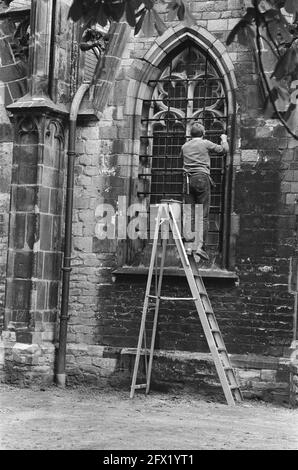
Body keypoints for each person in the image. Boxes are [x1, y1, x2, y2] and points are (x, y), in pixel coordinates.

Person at [181, 123, 229, 261]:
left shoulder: (184, 146)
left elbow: (182, 159)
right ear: (203, 133)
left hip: (188, 180)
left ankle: (188, 246)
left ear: (191, 134)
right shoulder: (205, 143)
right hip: (201, 178)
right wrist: (224, 138)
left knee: (189, 214)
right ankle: (199, 247)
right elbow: (223, 150)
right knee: (202, 215)